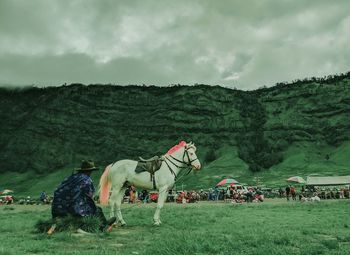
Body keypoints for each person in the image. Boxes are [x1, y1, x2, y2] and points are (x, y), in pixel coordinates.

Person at [51, 160, 116, 232]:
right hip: (74, 209)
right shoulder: (86, 179)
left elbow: (58, 190)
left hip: (58, 208)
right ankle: (104, 226)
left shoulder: (71, 177)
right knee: (97, 209)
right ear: (89, 171)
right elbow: (89, 195)